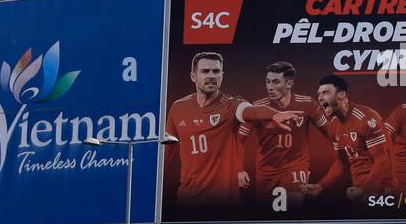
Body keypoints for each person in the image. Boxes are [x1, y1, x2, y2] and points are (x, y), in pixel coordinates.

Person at [165, 52, 300, 213]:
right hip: (189, 201)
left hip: (225, 204)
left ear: (222, 76)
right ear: (193, 76)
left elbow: (251, 111)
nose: (211, 76)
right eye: (205, 71)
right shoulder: (178, 107)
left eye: (216, 71)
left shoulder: (232, 105)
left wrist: (274, 114)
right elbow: (167, 153)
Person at [237, 61, 328, 208]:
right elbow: (237, 140)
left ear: (289, 84)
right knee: (268, 220)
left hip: (295, 167)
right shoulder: (258, 108)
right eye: (267, 82)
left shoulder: (308, 105)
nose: (270, 87)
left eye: (275, 82)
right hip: (265, 172)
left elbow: (331, 132)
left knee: (292, 207)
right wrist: (239, 170)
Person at [305, 74, 392, 202]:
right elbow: (341, 162)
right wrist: (320, 186)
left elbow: (383, 160)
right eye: (319, 94)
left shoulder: (366, 119)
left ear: (342, 95)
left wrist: (365, 189)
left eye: (325, 92)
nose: (320, 97)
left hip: (381, 191)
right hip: (358, 191)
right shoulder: (333, 125)